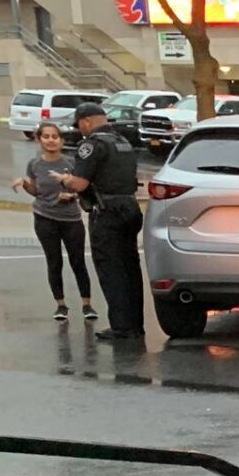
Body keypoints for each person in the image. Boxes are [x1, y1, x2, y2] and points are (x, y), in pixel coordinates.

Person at [57, 100, 144, 342]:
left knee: (111, 269)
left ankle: (122, 326)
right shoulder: (123, 142)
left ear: (86, 122)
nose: (80, 130)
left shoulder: (91, 145)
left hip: (107, 212)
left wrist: (64, 180)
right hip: (130, 207)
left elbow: (80, 183)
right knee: (130, 268)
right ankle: (136, 323)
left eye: (79, 125)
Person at [9, 120, 97, 322]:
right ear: (39, 140)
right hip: (44, 218)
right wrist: (24, 183)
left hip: (71, 219)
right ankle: (60, 305)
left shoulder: (71, 163)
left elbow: (81, 188)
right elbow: (37, 192)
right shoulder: (35, 164)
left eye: (55, 137)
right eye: (46, 137)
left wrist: (71, 195)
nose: (51, 140)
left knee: (78, 261)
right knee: (54, 261)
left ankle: (87, 304)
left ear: (61, 140)